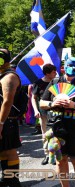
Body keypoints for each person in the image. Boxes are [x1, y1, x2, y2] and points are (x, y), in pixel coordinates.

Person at [40, 57, 75, 187]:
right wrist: (52, 103)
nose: (73, 69)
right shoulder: (54, 81)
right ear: (65, 66)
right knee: (61, 161)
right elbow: (42, 103)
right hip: (57, 128)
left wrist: (74, 105)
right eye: (71, 65)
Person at [0, 48, 22, 186]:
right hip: (3, 120)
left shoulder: (10, 77)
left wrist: (1, 122)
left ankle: (13, 181)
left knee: (10, 150)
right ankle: (6, 178)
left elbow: (7, 102)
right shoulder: (2, 75)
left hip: (7, 120)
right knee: (2, 149)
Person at [31, 63, 57, 165]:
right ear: (47, 73)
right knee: (45, 134)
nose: (55, 73)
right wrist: (35, 110)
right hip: (43, 113)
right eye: (53, 72)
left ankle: (54, 154)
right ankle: (47, 155)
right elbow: (33, 98)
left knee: (55, 134)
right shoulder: (37, 83)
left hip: (55, 112)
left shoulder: (56, 82)